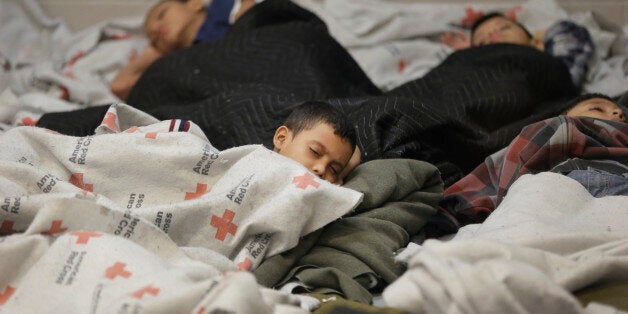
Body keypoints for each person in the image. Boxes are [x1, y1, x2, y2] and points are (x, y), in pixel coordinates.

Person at [433, 93, 627, 232]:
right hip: (578, 183)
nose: (617, 114)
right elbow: (488, 183)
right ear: (567, 115)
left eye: (622, 113)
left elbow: (485, 186)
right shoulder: (566, 125)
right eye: (597, 108)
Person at [110, 0, 259, 100]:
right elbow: (119, 86)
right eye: (152, 37)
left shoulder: (224, 7)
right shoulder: (181, 63)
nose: (156, 28)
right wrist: (155, 50)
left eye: (162, 15)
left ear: (194, 3)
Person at [440, 12, 594, 88]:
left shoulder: (554, 69)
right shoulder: (469, 67)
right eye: (482, 41)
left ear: (535, 41)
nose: (493, 37)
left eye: (504, 27)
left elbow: (567, 77)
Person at [273, 101, 361, 185]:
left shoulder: (320, 191)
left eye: (334, 170)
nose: (321, 169)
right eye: (315, 151)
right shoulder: (260, 160)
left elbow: (355, 154)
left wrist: (339, 176)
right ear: (282, 138)